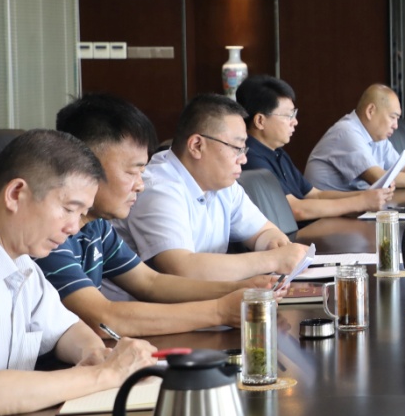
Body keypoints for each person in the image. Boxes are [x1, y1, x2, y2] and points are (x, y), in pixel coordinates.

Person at [0, 130, 156, 416]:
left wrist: (98, 355)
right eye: (69, 209)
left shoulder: (21, 262)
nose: (74, 228)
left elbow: (68, 330)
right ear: (15, 194)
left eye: (82, 213)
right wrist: (105, 375)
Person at [43, 94, 278, 334]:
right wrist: (219, 310)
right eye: (131, 172)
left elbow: (150, 283)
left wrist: (243, 289)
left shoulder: (97, 227)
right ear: (84, 167)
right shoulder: (50, 236)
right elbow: (105, 319)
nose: (140, 185)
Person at [119, 94, 310, 280]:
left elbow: (262, 231)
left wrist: (275, 244)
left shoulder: (224, 184)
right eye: (236, 148)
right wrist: (272, 260)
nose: (243, 159)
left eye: (244, 149)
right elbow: (181, 268)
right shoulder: (158, 189)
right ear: (197, 145)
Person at [236, 75, 393, 222]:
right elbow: (294, 209)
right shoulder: (250, 158)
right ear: (260, 121)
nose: (295, 122)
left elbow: (314, 195)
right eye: (288, 116)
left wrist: (367, 195)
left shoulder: (277, 152)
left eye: (294, 114)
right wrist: (360, 202)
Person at [305, 84, 405, 191]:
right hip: (324, 220)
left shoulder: (376, 137)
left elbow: (403, 168)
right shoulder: (347, 132)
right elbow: (382, 179)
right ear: (371, 111)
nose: (396, 125)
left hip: (351, 211)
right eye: (392, 117)